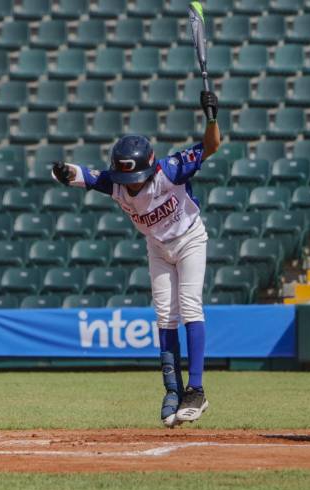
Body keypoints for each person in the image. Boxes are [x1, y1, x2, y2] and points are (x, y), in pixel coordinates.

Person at [50, 91, 220, 428]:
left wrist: (212, 117)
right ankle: (172, 390)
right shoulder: (115, 183)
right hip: (157, 248)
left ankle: (196, 391)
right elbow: (83, 175)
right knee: (164, 316)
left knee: (189, 307)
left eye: (136, 178)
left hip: (189, 239)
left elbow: (211, 146)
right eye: (125, 180)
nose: (131, 186)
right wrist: (62, 171)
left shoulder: (170, 170)